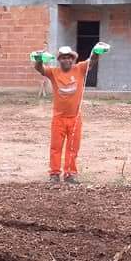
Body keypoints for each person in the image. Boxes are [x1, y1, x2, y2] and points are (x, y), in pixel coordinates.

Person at [32, 44, 108, 184]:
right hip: (58, 118)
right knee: (56, 147)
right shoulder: (53, 72)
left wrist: (97, 51)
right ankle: (54, 174)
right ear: (59, 60)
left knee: (73, 148)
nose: (66, 60)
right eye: (63, 58)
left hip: (75, 118)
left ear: (72, 59)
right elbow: (39, 69)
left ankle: (70, 174)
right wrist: (38, 59)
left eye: (68, 58)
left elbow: (92, 61)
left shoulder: (79, 69)